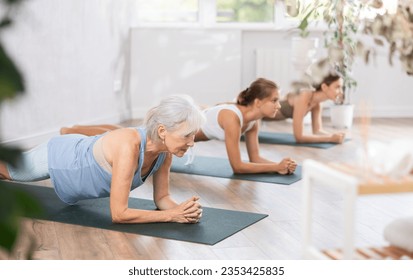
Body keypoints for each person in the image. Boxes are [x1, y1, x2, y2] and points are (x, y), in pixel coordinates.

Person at [0, 95, 205, 224]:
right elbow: (119, 214)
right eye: (186, 135)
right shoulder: (129, 147)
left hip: (83, 148)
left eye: (193, 135)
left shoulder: (165, 155)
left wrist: (182, 210)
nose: (192, 142)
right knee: (8, 172)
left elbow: (162, 199)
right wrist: (171, 216)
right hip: (64, 158)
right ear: (162, 131)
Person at [60, 78, 297, 175]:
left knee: (124, 131)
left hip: (190, 122)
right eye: (274, 100)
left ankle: (76, 128)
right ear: (257, 102)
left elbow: (254, 157)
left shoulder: (253, 121)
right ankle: (72, 131)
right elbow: (237, 166)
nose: (279, 105)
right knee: (122, 134)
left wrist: (279, 164)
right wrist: (275, 167)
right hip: (175, 125)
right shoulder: (232, 119)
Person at [268, 72, 346, 144]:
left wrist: (334, 135)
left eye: (341, 88)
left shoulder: (317, 103)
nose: (341, 92)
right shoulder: (304, 95)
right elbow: (299, 137)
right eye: (337, 87)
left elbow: (317, 131)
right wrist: (330, 138)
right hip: (261, 114)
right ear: (324, 87)